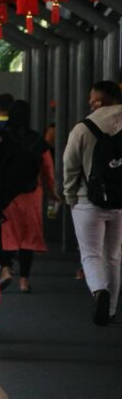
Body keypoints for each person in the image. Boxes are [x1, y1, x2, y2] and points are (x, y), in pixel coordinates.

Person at [63, 81, 122, 326]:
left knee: (91, 255)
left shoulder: (83, 128)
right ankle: (110, 310)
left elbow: (70, 165)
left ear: (102, 101)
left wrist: (70, 196)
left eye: (93, 99)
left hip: (88, 201)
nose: (90, 103)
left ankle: (99, 290)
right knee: (113, 256)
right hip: (120, 202)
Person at [0, 100, 60, 293]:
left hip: (7, 195)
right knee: (28, 237)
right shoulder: (38, 140)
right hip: (32, 194)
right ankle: (24, 281)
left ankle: (5, 270)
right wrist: (51, 190)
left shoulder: (3, 138)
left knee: (6, 234)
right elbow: (48, 168)